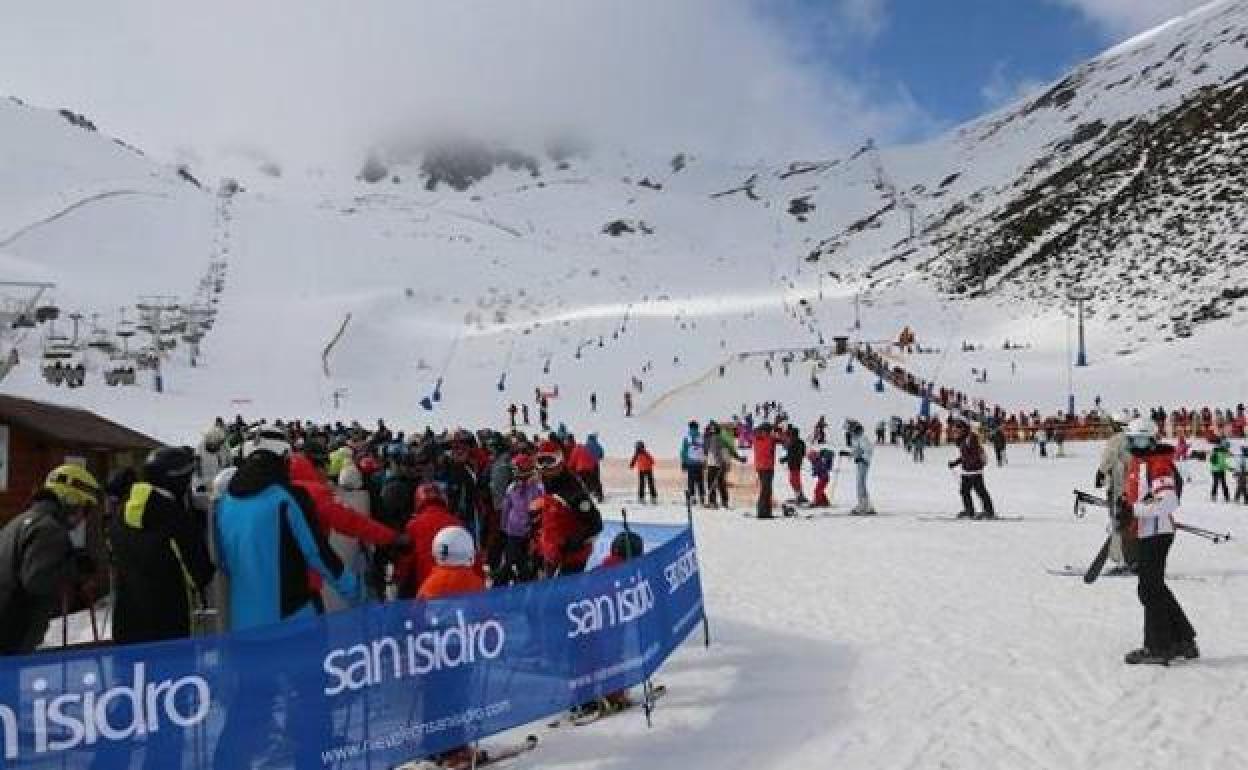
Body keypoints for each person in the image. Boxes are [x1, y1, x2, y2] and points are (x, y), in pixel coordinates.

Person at [112, 447, 216, 644]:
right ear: (177, 480)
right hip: (168, 626)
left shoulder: (122, 510)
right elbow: (200, 575)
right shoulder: (174, 518)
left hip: (127, 623)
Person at [1117, 418, 1198, 665]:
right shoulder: (1139, 462)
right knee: (1155, 588)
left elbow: (1168, 501)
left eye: (1141, 440)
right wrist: (1125, 507)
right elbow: (1138, 495)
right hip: (1146, 532)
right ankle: (1183, 639)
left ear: (1152, 440)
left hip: (1157, 533)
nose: (1136, 445)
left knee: (1149, 590)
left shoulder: (1159, 463)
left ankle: (1159, 646)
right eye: (1132, 440)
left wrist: (1136, 510)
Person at [0, 464, 100, 655]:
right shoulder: (49, 529)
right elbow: (38, 580)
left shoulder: (20, 521)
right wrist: (76, 567)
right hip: (11, 635)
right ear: (72, 500)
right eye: (86, 509)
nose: (84, 518)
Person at [418, 526, 486, 770]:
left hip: (430, 652)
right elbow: (482, 614)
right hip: (459, 651)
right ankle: (453, 747)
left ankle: (434, 745)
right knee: (456, 698)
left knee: (434, 697)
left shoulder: (430, 583)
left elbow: (417, 613)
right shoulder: (473, 582)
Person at [532, 449, 603, 575]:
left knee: (563, 592)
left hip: (571, 557)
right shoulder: (545, 484)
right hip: (550, 551)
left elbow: (596, 524)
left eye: (550, 462)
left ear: (559, 463)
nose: (544, 467)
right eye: (540, 461)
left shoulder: (573, 492)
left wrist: (574, 543)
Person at [395, 483, 463, 597]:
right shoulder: (456, 522)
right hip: (454, 584)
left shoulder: (413, 525)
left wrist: (399, 578)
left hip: (425, 585)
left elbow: (406, 560)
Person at [1096, 411, 1136, 575]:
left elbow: (1109, 457)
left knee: (1118, 523)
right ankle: (1135, 559)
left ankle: (1121, 561)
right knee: (1133, 524)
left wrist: (1100, 472)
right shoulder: (1136, 438)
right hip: (1135, 487)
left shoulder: (1117, 439)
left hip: (1119, 487)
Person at [499, 455, 543, 584]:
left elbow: (540, 508)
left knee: (528, 563)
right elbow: (506, 508)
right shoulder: (512, 488)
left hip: (531, 533)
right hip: (513, 532)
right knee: (511, 560)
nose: (514, 472)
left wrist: (537, 528)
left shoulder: (537, 488)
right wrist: (504, 526)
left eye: (516, 469)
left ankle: (527, 582)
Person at [949, 419, 994, 519]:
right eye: (954, 431)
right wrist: (955, 463)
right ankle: (969, 510)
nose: (955, 433)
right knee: (964, 491)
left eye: (957, 430)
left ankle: (989, 511)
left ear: (963, 429)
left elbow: (975, 454)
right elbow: (965, 455)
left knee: (980, 491)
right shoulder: (963, 440)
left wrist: (970, 463)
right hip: (967, 471)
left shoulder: (971, 439)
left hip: (974, 470)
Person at [705, 422, 743, 509]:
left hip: (715, 465)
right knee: (720, 483)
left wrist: (721, 462)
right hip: (717, 464)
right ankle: (723, 501)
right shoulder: (720, 439)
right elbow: (730, 449)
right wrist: (738, 458)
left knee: (713, 483)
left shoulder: (714, 439)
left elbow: (716, 453)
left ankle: (713, 502)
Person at [846, 421, 875, 515]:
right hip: (860, 463)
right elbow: (856, 450)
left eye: (851, 429)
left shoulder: (863, 438)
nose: (850, 432)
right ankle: (866, 505)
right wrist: (848, 454)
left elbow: (868, 450)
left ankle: (863, 506)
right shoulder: (856, 438)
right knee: (860, 484)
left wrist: (862, 458)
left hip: (864, 463)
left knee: (860, 484)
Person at [753, 423, 778, 518]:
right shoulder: (769, 439)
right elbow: (780, 439)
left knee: (767, 490)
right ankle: (762, 512)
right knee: (765, 490)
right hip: (767, 467)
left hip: (762, 467)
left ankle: (766, 512)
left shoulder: (757, 438)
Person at [679, 420, 707, 506]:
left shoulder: (687, 438)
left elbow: (683, 451)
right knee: (700, 481)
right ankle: (702, 497)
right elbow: (705, 450)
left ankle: (692, 497)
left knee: (691, 481)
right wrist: (705, 460)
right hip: (699, 462)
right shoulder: (702, 437)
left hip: (690, 462)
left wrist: (683, 462)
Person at [781, 426, 807, 505]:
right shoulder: (797, 442)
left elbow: (794, 454)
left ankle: (800, 496)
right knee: (794, 480)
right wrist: (785, 459)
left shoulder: (795, 443)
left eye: (791, 434)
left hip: (794, 464)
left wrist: (785, 459)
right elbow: (799, 453)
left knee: (794, 480)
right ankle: (799, 495)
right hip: (794, 464)